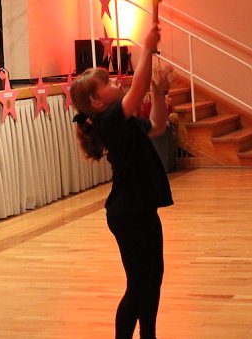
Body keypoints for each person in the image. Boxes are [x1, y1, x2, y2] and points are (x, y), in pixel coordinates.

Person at [70, 23, 173, 339]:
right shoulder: (108, 120)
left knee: (154, 277)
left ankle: (149, 335)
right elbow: (136, 90)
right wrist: (146, 46)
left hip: (142, 209)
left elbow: (156, 125)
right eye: (107, 82)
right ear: (97, 102)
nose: (115, 81)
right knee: (139, 284)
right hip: (127, 214)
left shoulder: (122, 119)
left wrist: (158, 91)